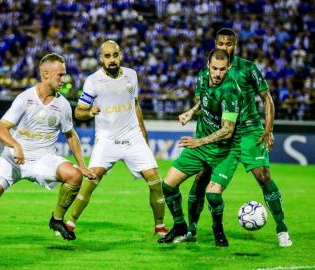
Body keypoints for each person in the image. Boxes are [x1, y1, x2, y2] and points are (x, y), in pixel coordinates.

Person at [0, 53, 96, 249]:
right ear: (45, 74)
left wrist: (82, 165)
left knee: (73, 176)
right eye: (60, 75)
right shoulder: (25, 98)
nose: (63, 79)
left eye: (64, 75)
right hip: (13, 159)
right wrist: (15, 145)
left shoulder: (63, 105)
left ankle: (56, 219)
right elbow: (1, 130)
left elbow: (71, 135)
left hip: (43, 159)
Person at [186, 28, 292, 247]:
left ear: (235, 45)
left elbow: (267, 98)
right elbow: (204, 103)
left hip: (248, 130)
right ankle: (191, 229)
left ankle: (282, 229)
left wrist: (268, 129)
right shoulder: (208, 73)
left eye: (229, 44)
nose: (226, 47)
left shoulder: (248, 68)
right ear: (215, 44)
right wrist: (191, 114)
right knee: (201, 178)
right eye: (221, 43)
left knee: (263, 176)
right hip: (222, 132)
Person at [65, 40, 168, 235]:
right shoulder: (93, 81)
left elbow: (135, 105)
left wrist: (143, 134)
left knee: (155, 180)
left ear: (120, 56)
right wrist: (89, 113)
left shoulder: (132, 75)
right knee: (91, 179)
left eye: (115, 55)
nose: (111, 60)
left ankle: (160, 226)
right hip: (107, 139)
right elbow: (78, 111)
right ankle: (70, 223)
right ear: (101, 59)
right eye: (107, 56)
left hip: (132, 137)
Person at [158, 48, 243, 247]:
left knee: (213, 194)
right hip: (202, 144)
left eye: (222, 69)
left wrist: (198, 142)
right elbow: (203, 101)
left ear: (228, 67)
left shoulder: (231, 91)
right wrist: (190, 112)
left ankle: (218, 230)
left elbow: (227, 130)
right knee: (168, 185)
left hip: (225, 150)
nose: (217, 73)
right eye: (214, 68)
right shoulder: (203, 78)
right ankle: (179, 225)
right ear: (208, 65)